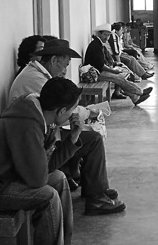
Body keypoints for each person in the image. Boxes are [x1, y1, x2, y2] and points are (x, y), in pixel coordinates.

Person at [0, 77, 92, 245]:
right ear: (61, 110)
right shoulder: (27, 124)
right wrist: (49, 145)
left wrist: (72, 139)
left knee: (59, 178)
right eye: (73, 109)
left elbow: (45, 169)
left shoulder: (36, 114)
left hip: (2, 179)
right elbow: (38, 179)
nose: (74, 115)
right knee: (48, 196)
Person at [9, 38, 125, 216]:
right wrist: (88, 112)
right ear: (54, 60)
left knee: (82, 134)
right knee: (92, 139)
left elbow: (61, 111)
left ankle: (96, 188)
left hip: (39, 134)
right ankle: (96, 197)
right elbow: (62, 112)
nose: (64, 72)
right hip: (28, 144)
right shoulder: (35, 79)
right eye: (63, 66)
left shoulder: (39, 74)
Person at [84, 24, 152, 105]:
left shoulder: (99, 44)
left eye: (108, 35)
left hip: (98, 70)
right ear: (99, 34)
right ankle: (140, 92)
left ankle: (135, 98)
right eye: (105, 35)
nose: (107, 37)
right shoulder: (96, 45)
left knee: (121, 76)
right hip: (95, 73)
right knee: (119, 78)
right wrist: (113, 70)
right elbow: (101, 65)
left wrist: (114, 66)